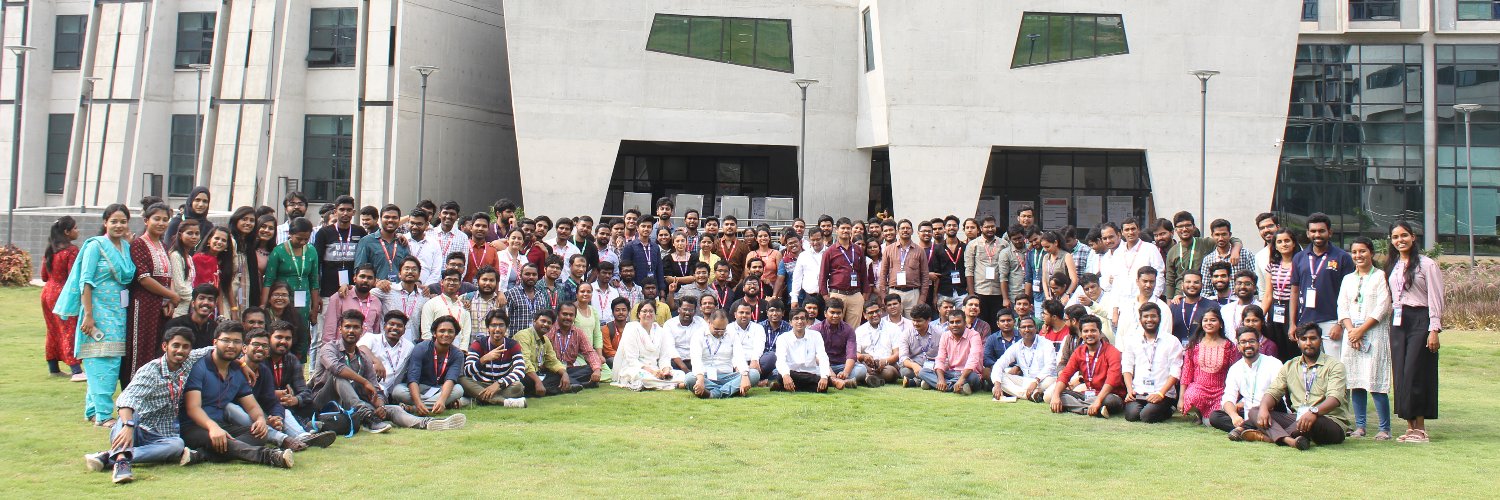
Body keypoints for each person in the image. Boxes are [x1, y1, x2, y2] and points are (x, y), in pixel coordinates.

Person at [83, 328, 212, 483]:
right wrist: (128, 426)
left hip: (160, 435)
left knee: (177, 445)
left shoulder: (188, 361)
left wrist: (239, 360)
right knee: (131, 414)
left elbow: (215, 349)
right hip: (136, 429)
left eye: (185, 347)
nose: (180, 350)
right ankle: (122, 463)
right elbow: (126, 399)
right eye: (176, 345)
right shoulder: (151, 370)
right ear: (165, 346)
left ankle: (107, 456)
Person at [53, 204, 135, 426]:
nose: (118, 225)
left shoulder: (125, 247)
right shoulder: (95, 246)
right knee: (102, 362)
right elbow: (86, 282)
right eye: (114, 221)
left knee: (112, 361)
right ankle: (104, 415)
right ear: (105, 223)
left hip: (119, 313)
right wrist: (88, 315)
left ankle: (92, 411)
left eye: (123, 221)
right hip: (97, 313)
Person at [179, 322, 295, 468]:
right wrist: (213, 428)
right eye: (226, 340)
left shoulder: (237, 371)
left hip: (221, 424)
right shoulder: (200, 368)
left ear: (242, 345)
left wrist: (260, 419)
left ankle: (201, 455)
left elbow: (252, 406)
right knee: (225, 440)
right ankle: (269, 456)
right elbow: (193, 408)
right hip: (194, 427)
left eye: (236, 341)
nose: (231, 346)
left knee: (260, 434)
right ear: (215, 342)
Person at [1386, 221, 1444, 443]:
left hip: (1420, 319)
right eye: (1395, 237)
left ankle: (1420, 428)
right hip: (1398, 321)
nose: (1400, 240)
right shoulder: (1393, 265)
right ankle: (1409, 427)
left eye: (1404, 235)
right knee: (1401, 374)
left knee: (1416, 373)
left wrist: (1434, 328)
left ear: (1413, 237)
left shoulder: (1427, 265)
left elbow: (1436, 297)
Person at [1251, 323, 1351, 450]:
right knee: (1255, 411)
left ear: (1320, 340)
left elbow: (1335, 399)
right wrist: (1264, 408)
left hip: (1328, 420)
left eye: (1313, 338)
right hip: (1298, 418)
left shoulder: (1335, 366)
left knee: (1313, 421)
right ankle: (1289, 440)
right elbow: (1272, 392)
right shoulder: (1290, 365)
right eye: (1304, 339)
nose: (1308, 343)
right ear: (1298, 342)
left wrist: (1314, 412)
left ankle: (1268, 436)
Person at [1335, 237, 1393, 440]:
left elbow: (1383, 307)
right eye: (1354, 252)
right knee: (1355, 381)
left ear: (1371, 253)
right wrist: (1352, 331)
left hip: (1374, 334)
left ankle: (1384, 428)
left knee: (1375, 380)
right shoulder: (1347, 279)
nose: (1358, 255)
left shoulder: (1380, 276)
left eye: (1362, 251)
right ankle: (1360, 427)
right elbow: (1342, 306)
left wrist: (1362, 330)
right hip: (1351, 336)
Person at [123, 204, 180, 386]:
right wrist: (171, 295)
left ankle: (151, 390)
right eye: (157, 219)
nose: (161, 223)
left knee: (157, 348)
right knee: (140, 348)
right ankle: (133, 390)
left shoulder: (163, 245)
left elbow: (168, 275)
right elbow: (143, 278)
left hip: (160, 306)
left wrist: (169, 299)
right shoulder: (139, 244)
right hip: (143, 304)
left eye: (165, 219)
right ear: (146, 221)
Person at [1288, 213, 1354, 360]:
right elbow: (1294, 291)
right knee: (1310, 364)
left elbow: (1349, 293)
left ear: (1329, 232)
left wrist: (1340, 324)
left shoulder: (1342, 257)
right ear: (1307, 233)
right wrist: (1292, 323)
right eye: (1313, 231)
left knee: (1334, 365)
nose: (1317, 235)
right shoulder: (1299, 257)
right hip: (1306, 321)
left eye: (1321, 231)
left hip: (1332, 320)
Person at [1214, 327, 1285, 440]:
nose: (1247, 345)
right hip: (1248, 414)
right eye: (1243, 342)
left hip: (1270, 412)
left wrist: (1261, 409)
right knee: (1215, 417)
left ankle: (1244, 429)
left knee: (1263, 408)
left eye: (1251, 341)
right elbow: (1228, 397)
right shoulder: (1235, 368)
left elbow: (1279, 393)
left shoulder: (1274, 364)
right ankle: (1254, 430)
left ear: (1259, 343)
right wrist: (1234, 416)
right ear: (1238, 346)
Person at [1119, 303, 1185, 423]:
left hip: (1163, 393)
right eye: (1146, 316)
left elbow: (1175, 371)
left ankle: (1170, 408)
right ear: (1140, 319)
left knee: (1147, 416)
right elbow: (1127, 367)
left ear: (1159, 318)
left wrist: (1161, 393)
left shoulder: (1171, 341)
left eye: (1153, 316)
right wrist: (1129, 390)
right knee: (1131, 415)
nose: (1149, 319)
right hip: (1139, 391)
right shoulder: (1132, 340)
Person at [1048, 315, 1124, 418]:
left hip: (1109, 395)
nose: (1089, 334)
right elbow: (1065, 374)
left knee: (1111, 401)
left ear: (1100, 332)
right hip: (1089, 395)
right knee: (1056, 394)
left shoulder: (1112, 352)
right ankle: (1096, 409)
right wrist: (1056, 396)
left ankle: (1089, 406)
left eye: (1093, 331)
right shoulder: (1079, 352)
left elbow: (1112, 380)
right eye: (1086, 331)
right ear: (1081, 333)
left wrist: (1098, 400)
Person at [393, 315, 466, 412]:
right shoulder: (421, 348)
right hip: (420, 387)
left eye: (450, 331)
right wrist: (418, 402)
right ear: (434, 333)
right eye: (442, 331)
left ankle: (413, 408)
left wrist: (442, 400)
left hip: (440, 389)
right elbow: (413, 378)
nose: (446, 334)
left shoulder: (457, 354)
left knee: (458, 389)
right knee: (398, 391)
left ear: (455, 335)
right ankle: (441, 404)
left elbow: (450, 380)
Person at [42, 216, 84, 380]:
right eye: (75, 228)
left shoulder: (50, 249)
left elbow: (44, 276)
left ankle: (53, 368)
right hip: (63, 294)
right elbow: (74, 275)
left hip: (47, 293)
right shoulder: (71, 251)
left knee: (52, 330)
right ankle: (76, 369)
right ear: (67, 232)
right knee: (69, 330)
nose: (77, 231)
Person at [612, 301, 687, 391]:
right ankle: (675, 384)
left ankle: (664, 382)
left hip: (656, 369)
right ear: (639, 314)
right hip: (636, 369)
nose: (648, 314)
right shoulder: (632, 330)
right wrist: (652, 372)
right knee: (643, 377)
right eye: (644, 311)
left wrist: (666, 371)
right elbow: (632, 360)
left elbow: (664, 357)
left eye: (651, 311)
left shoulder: (661, 331)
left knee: (681, 374)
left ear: (655, 314)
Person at [262, 217, 321, 328]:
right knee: (283, 329)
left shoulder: (312, 251)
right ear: (290, 234)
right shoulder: (278, 251)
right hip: (282, 299)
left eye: (306, 239)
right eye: (299, 239)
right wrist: (263, 305)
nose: (303, 242)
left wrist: (314, 308)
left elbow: (314, 281)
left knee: (302, 329)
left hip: (303, 300)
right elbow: (268, 281)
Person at [462, 310, 528, 407]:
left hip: (501, 387)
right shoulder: (478, 344)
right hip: (480, 384)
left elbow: (520, 370)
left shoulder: (513, 345)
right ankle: (505, 402)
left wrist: (498, 384)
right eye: (493, 325)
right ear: (488, 328)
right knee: (462, 380)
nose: (497, 329)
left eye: (501, 325)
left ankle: (477, 399)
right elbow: (467, 371)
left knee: (518, 387)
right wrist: (484, 359)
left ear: (506, 328)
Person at [1259, 228, 1301, 361]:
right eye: (1280, 241)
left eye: (1287, 241)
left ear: (1294, 243)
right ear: (1275, 246)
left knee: (1292, 345)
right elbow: (1268, 295)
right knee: (1276, 345)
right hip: (1275, 308)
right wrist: (1259, 316)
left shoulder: (1300, 264)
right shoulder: (1272, 265)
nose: (1284, 244)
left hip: (1293, 308)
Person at [990, 315, 1055, 403]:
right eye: (1023, 327)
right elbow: (999, 364)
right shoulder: (1017, 346)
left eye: (1030, 326)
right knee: (1000, 378)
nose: (1027, 330)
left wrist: (1036, 381)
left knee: (1050, 381)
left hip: (1043, 380)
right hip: (1026, 381)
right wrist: (997, 384)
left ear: (1036, 328)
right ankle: (1030, 394)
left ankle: (1027, 393)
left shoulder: (1046, 343)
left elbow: (1050, 366)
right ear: (1019, 330)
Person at [513, 310, 578, 396]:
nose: (546, 324)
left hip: (537, 374)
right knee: (531, 381)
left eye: (549, 323)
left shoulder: (546, 340)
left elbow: (553, 361)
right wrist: (538, 381)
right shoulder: (523, 336)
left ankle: (545, 388)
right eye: (543, 321)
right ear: (534, 321)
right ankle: (543, 389)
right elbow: (524, 363)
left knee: (559, 375)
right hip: (521, 374)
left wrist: (564, 374)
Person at [691, 310, 755, 398]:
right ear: (709, 323)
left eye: (723, 329)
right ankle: (730, 390)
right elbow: (696, 359)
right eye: (716, 329)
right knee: (689, 379)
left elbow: (739, 356)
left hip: (727, 376)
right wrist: (700, 378)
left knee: (754, 374)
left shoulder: (732, 334)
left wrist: (744, 375)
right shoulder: (698, 335)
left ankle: (713, 394)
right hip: (705, 376)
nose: (720, 332)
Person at [820, 218, 870, 328]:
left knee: (854, 329)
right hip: (837, 294)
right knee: (835, 327)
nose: (845, 231)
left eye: (848, 228)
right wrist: (826, 297)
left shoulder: (858, 250)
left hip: (855, 295)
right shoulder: (829, 251)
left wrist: (864, 295)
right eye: (843, 228)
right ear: (836, 230)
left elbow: (863, 274)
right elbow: (823, 275)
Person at [964, 217, 1012, 332]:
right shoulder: (973, 244)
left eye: (992, 226)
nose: (990, 229)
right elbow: (969, 269)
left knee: (996, 325)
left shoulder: (1004, 244)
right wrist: (972, 294)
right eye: (987, 227)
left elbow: (1007, 269)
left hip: (998, 292)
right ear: (981, 228)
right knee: (979, 326)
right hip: (980, 291)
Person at [921, 310, 983, 395]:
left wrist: (961, 379)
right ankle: (956, 387)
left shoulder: (974, 335)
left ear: (965, 323)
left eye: (958, 322)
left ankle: (935, 384)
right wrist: (941, 379)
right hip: (951, 373)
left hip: (968, 374)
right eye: (951, 322)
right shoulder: (945, 335)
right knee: (923, 372)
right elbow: (940, 359)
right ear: (948, 324)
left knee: (973, 377)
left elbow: (973, 359)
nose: (954, 325)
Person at [771, 309, 833, 393]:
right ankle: (788, 384)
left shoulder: (816, 336)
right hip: (791, 373)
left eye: (802, 318)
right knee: (781, 375)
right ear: (790, 322)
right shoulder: (783, 338)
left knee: (823, 387)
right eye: (796, 318)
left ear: (807, 321)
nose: (800, 321)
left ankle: (782, 387)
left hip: (811, 373)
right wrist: (785, 375)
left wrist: (824, 377)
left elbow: (822, 356)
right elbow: (780, 360)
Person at [1111, 266, 1172, 349]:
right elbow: (1120, 335)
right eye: (1145, 281)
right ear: (1137, 281)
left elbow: (1165, 337)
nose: (1148, 285)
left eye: (1152, 282)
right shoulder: (1127, 306)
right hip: (1127, 354)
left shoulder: (1163, 308)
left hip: (1153, 353)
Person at [877, 219, 931, 313]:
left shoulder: (920, 250)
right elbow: (883, 274)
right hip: (894, 292)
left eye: (908, 228)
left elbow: (925, 276)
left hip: (913, 293)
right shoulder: (889, 250)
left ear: (912, 231)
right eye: (902, 228)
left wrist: (922, 298)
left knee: (913, 321)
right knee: (895, 321)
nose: (905, 230)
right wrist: (883, 296)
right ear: (897, 231)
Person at [322, 264, 384, 343]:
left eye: (369, 278)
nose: (365, 280)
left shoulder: (376, 302)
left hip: (367, 348)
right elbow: (329, 329)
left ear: (375, 281)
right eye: (362, 276)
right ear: (354, 278)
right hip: (342, 348)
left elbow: (376, 331)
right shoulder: (340, 297)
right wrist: (329, 348)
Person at [357, 311, 416, 394]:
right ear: (384, 326)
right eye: (391, 324)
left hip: (392, 391)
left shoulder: (409, 347)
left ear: (404, 330)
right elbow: (361, 348)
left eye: (399, 326)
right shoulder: (371, 338)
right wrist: (376, 361)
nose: (395, 328)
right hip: (369, 384)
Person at [372, 257, 428, 342]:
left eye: (414, 269)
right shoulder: (388, 290)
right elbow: (365, 293)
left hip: (412, 343)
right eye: (407, 268)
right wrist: (377, 283)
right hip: (387, 342)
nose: (410, 271)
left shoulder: (424, 296)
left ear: (419, 274)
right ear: (399, 274)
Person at [549, 303, 605, 388]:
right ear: (558, 314)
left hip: (569, 369)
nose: (568, 317)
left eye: (571, 315)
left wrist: (597, 370)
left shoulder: (578, 332)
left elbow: (589, 352)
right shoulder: (550, 330)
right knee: (549, 377)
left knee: (591, 369)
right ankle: (578, 384)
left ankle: (570, 383)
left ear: (575, 317)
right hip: (553, 370)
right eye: (565, 314)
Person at [813, 297, 861, 389]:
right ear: (825, 313)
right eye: (832, 312)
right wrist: (829, 371)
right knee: (809, 370)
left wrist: (845, 372)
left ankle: (836, 380)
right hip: (821, 365)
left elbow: (851, 355)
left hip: (841, 366)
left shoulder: (848, 330)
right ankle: (841, 382)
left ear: (842, 314)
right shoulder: (816, 330)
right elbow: (815, 355)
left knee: (861, 370)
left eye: (838, 313)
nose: (835, 316)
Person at [354, 204, 410, 282]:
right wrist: (376, 282)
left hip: (399, 288)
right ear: (380, 219)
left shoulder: (402, 242)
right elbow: (359, 270)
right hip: (375, 288)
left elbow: (409, 267)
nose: (390, 220)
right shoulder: (366, 241)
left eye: (394, 217)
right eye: (387, 217)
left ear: (399, 219)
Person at [420, 269, 475, 348]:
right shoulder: (431, 304)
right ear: (442, 282)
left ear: (460, 284)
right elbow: (426, 332)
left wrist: (463, 350)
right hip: (435, 350)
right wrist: (431, 350)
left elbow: (466, 332)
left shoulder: (464, 306)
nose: (452, 282)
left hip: (457, 351)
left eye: (455, 280)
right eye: (448, 279)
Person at [1197, 219, 1256, 289]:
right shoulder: (1208, 260)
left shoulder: (1245, 255)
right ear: (1212, 235)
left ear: (1230, 234)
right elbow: (1205, 289)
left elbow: (1255, 281)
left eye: (1224, 234)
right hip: (1217, 296)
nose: (1221, 238)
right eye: (1217, 235)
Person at [854, 302, 898, 387]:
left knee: (890, 372)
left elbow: (897, 353)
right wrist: (864, 357)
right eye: (871, 313)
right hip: (866, 366)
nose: (874, 315)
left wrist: (885, 361)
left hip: (886, 366)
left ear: (881, 311)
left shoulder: (893, 328)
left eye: (877, 311)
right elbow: (855, 354)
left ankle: (866, 378)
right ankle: (871, 378)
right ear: (865, 315)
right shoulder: (859, 331)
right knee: (860, 369)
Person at [1169, 271, 1220, 344]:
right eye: (1188, 282)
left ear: (1202, 285)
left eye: (1196, 282)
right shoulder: (1174, 306)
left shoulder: (1212, 306)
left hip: (1204, 349)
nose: (1192, 285)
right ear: (1182, 285)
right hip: (1177, 349)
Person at [897, 304, 941, 388]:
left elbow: (944, 356)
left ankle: (917, 382)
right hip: (914, 367)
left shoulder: (939, 333)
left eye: (919, 321)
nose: (915, 323)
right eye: (913, 320)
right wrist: (914, 366)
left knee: (942, 371)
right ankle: (927, 381)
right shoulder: (906, 334)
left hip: (933, 367)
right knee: (905, 372)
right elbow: (903, 358)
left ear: (928, 320)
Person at [504, 263, 555, 333]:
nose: (531, 277)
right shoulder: (511, 294)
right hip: (516, 338)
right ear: (520, 276)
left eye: (534, 274)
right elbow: (505, 319)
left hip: (536, 338)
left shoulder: (541, 295)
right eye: (527, 274)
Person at [167, 218, 200, 318]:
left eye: (197, 233)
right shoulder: (176, 255)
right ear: (180, 235)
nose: (194, 237)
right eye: (190, 233)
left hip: (188, 307)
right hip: (178, 309)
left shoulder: (189, 257)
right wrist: (197, 298)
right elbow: (180, 287)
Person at [981, 308, 1020, 387]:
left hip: (1017, 371)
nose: (1006, 323)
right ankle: (1007, 387)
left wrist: (1018, 367)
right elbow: (986, 358)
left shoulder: (1022, 337)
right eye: (1002, 321)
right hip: (998, 370)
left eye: (1009, 320)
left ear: (1014, 322)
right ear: (998, 324)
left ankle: (1002, 387)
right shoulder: (992, 338)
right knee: (985, 371)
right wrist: (997, 367)